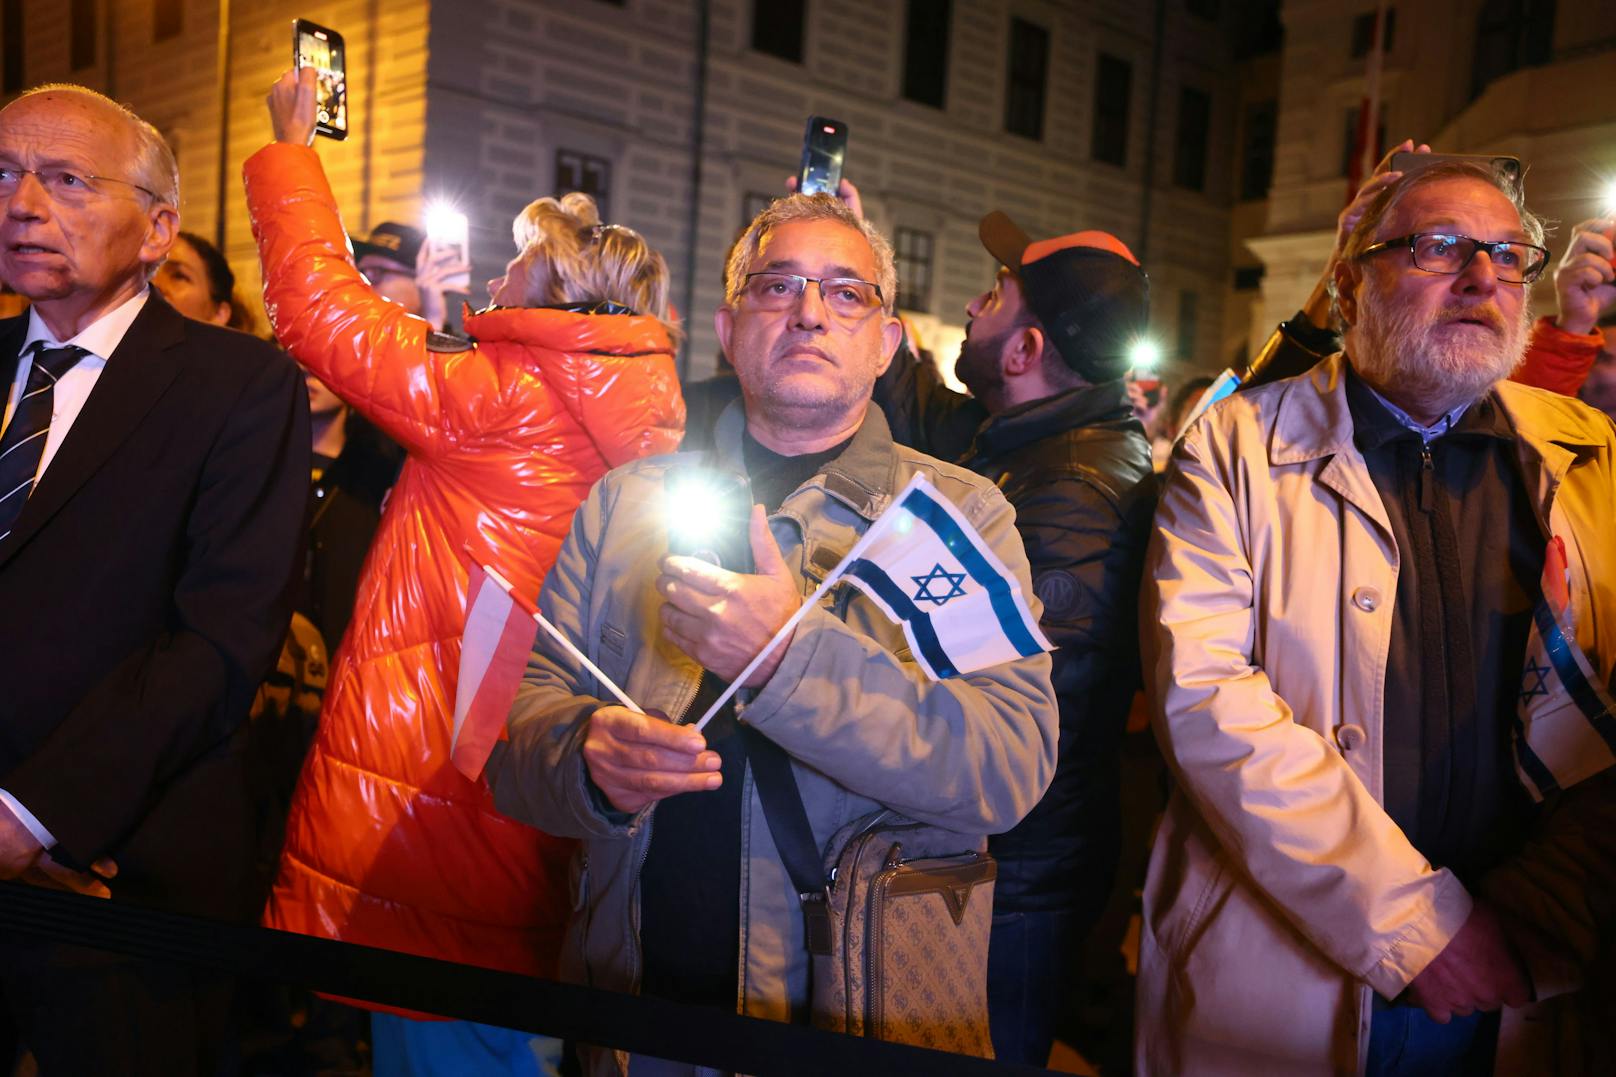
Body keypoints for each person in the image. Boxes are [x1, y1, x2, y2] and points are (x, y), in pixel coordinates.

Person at [484, 192, 1057, 1075]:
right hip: (631, 1015)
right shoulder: (626, 501)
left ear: (887, 341)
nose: (810, 310)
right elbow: (514, 738)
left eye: (846, 293)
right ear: (728, 323)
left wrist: (791, 655)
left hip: (844, 1023)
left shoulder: (957, 517)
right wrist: (586, 756)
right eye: (776, 285)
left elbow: (1009, 764)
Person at [248, 67, 686, 1077]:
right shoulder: (640, 408)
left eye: (522, 262)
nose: (500, 272)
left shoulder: (501, 390)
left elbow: (318, 315)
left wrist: (290, 155)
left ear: (558, 292)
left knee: (437, 1040)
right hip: (530, 789)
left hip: (430, 782)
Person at [1139, 158, 1616, 1075]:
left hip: (1525, 971)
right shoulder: (1236, 442)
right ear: (1350, 281)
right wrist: (1419, 927)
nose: (1482, 276)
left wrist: (1542, 910)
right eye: (1440, 247)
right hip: (1290, 974)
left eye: (1509, 255)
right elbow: (1207, 700)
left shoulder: (1586, 451)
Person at [0, 84, 309, 1074]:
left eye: (66, 180)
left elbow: (220, 639)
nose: (21, 203)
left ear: (157, 227)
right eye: (4, 175)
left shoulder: (238, 384)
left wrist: (25, 816)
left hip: (115, 886)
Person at [940, 212, 1155, 1064]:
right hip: (1016, 868)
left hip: (1014, 880)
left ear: (1025, 351)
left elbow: (1023, 725)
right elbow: (930, 405)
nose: (968, 303)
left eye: (991, 295)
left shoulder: (1068, 491)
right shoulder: (1044, 440)